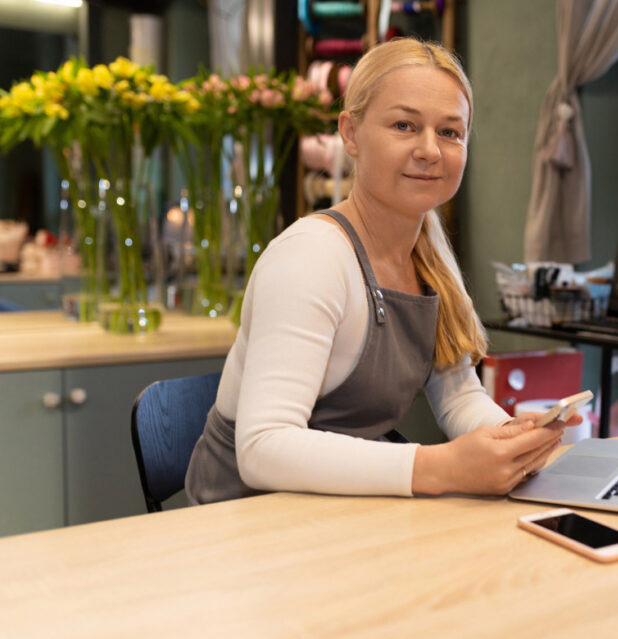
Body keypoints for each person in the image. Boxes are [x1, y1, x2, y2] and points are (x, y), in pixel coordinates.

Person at [185, 38, 578, 505]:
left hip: (342, 513)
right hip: (243, 524)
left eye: (450, 132)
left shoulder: (430, 254)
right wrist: (439, 466)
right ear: (350, 133)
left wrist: (512, 439)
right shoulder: (309, 257)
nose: (430, 149)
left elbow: (456, 397)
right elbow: (262, 449)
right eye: (404, 125)